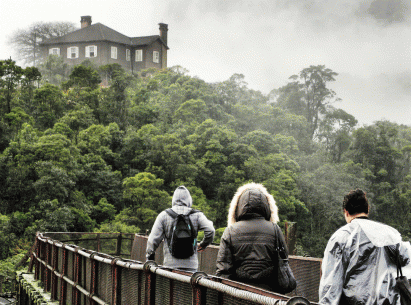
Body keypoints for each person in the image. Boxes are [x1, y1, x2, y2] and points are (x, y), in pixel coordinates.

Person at [319, 189, 410, 305]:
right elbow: (406, 258)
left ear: (346, 212)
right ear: (367, 210)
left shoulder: (341, 236)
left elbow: (331, 284)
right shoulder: (389, 234)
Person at [216, 182, 288, 292]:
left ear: (238, 206)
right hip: (269, 296)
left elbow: (223, 271)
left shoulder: (230, 231)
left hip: (237, 294)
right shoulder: (275, 229)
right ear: (266, 206)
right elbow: (283, 261)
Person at [146, 185, 215, 272]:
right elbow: (211, 230)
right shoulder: (197, 215)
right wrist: (203, 244)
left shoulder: (164, 215)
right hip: (191, 267)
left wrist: (149, 259)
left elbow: (152, 241)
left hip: (170, 267)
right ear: (189, 199)